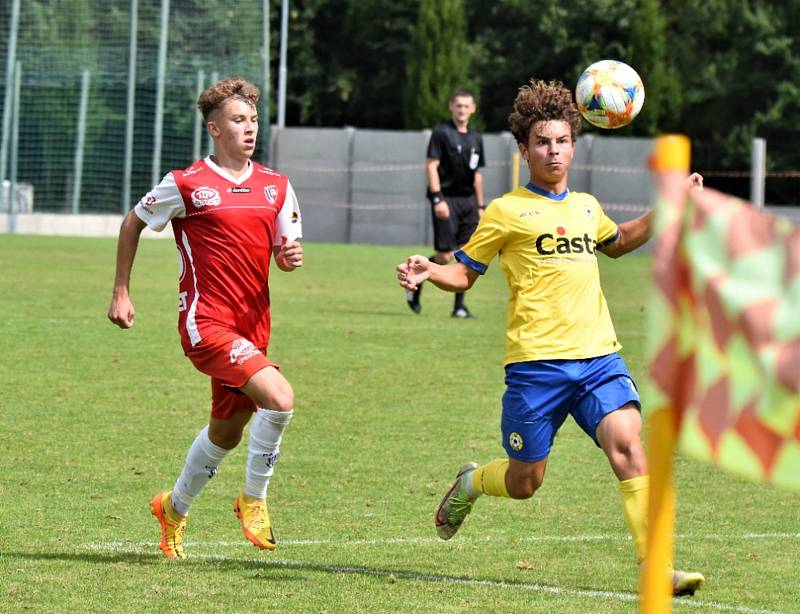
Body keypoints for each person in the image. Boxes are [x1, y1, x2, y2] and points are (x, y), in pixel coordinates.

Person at [396, 79, 706, 596]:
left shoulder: (586, 205)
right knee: (525, 483)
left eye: (562, 141)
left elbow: (621, 241)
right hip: (537, 366)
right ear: (524, 149)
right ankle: (471, 482)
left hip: (598, 358)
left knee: (629, 444)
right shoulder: (506, 211)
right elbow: (466, 273)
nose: (553, 150)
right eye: (542, 142)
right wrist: (432, 270)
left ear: (573, 145)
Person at [108, 77, 303, 560]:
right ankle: (253, 500)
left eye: (254, 120)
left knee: (227, 432)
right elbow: (133, 221)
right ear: (215, 129)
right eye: (239, 120)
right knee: (280, 399)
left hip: (254, 325)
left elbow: (283, 250)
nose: (250, 128)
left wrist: (288, 256)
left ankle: (172, 509)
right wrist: (121, 292)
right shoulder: (187, 183)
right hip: (206, 324)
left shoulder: (276, 186)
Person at [407, 89, 485, 318]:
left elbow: (477, 174)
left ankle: (459, 307)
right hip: (446, 200)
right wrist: (437, 198)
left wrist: (480, 206)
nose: (462, 110)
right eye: (458, 105)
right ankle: (417, 277)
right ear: (451, 106)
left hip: (469, 202)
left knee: (466, 254)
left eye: (466, 106)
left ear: (473, 108)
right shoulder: (441, 133)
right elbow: (431, 165)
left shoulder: (476, 138)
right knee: (444, 256)